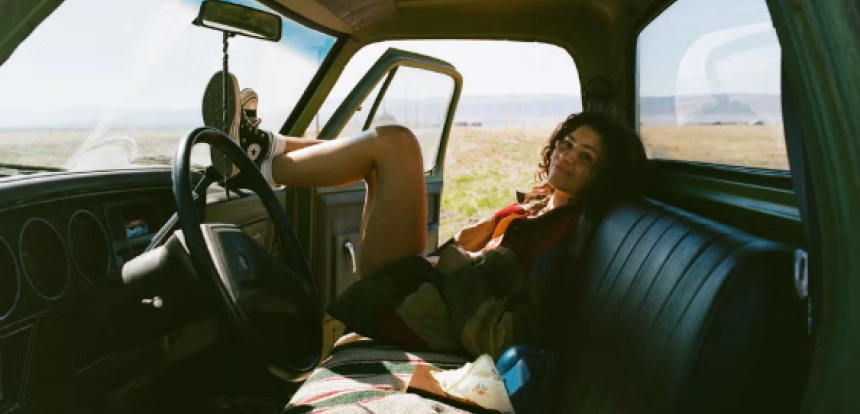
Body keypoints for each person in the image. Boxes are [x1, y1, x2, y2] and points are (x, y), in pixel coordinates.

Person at [202, 71, 648, 359]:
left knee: (396, 144)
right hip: (428, 287)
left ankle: (255, 161)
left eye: (586, 157)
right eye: (568, 143)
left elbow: (504, 339)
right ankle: (264, 149)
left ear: (602, 177)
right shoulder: (536, 206)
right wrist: (467, 245)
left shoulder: (565, 238)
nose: (568, 156)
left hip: (425, 317)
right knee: (379, 157)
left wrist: (456, 266)